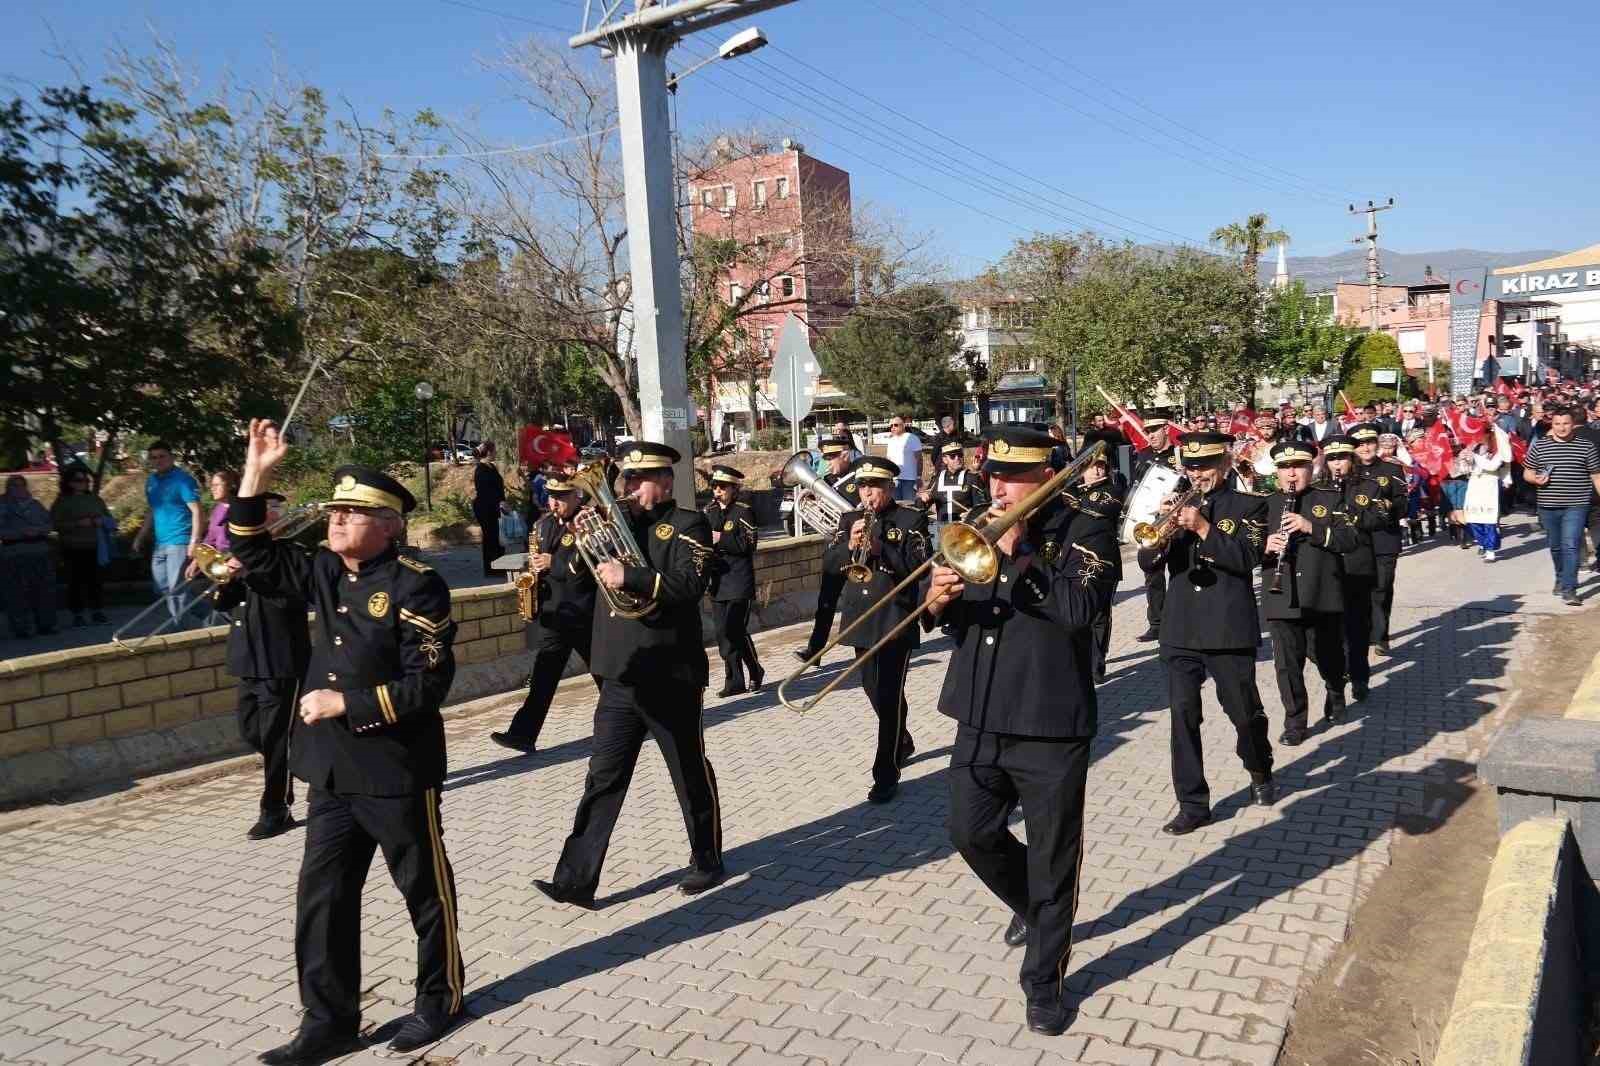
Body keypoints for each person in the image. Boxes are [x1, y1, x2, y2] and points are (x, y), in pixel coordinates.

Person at [233, 422, 465, 1062]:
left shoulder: (418, 582)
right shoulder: (324, 572)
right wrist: (257, 475)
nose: (336, 521)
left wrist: (347, 703)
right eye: (335, 510)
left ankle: (440, 998)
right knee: (324, 897)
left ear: (389, 524)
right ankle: (328, 1021)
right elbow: (252, 553)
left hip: (395, 766)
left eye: (352, 512)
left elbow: (430, 683)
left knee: (423, 890)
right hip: (331, 769)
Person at [923, 425, 1118, 1037]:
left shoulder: (1082, 528)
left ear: (1042, 475)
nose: (997, 486)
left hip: (1050, 723)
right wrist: (936, 601)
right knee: (969, 830)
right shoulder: (977, 528)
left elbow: (1081, 611)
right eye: (992, 476)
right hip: (980, 712)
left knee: (1055, 856)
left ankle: (1045, 981)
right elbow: (961, 623)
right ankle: (1035, 909)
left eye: (1009, 476)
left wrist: (1020, 556)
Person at [535, 441, 726, 906]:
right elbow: (575, 579)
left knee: (687, 771)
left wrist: (633, 576)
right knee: (602, 777)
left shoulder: (688, 524)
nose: (629, 488)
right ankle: (575, 879)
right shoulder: (608, 525)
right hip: (619, 675)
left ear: (664, 480)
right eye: (626, 480)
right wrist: (580, 538)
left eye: (638, 480)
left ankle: (707, 858)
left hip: (670, 673)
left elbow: (688, 586)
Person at [1137, 432, 1274, 835]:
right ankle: (1193, 803)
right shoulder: (1176, 505)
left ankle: (1259, 768)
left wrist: (1201, 528)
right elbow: (1147, 561)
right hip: (1181, 630)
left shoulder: (1251, 506)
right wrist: (1161, 535)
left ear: (1226, 464)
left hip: (1228, 629)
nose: (1197, 474)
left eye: (1206, 466)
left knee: (1244, 714)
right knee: (1182, 716)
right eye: (1191, 466)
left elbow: (1247, 557)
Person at [822, 455, 928, 803]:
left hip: (895, 617)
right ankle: (903, 738)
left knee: (888, 692)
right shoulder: (849, 518)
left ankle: (885, 773)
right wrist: (851, 546)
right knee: (871, 687)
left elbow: (919, 567)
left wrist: (884, 550)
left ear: (890, 487)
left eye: (876, 487)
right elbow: (830, 564)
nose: (868, 494)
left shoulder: (911, 519)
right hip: (861, 616)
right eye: (864, 487)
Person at [212, 491, 311, 841]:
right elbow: (224, 603)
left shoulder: (291, 555)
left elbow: (294, 595)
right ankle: (310, 759)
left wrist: (251, 570)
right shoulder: (236, 559)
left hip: (281, 658)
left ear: (268, 519)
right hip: (247, 658)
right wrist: (225, 579)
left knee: (275, 738)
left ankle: (276, 808)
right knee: (251, 730)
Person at [490, 474, 599, 754]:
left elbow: (593, 566)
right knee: (543, 678)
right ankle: (522, 734)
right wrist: (532, 578)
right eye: (551, 496)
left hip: (584, 612)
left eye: (561, 497)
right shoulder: (542, 525)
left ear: (577, 495)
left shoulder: (589, 523)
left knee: (605, 673)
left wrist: (555, 563)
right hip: (554, 615)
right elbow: (538, 561)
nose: (554, 502)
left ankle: (638, 719)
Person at [1259, 441, 1357, 746]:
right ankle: (1295, 722)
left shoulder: (1330, 499)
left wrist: (1309, 526)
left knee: (1326, 655)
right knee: (1287, 664)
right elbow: (1245, 548)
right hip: (1280, 595)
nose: (1292, 474)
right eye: (1285, 468)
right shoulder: (1264, 504)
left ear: (1310, 468)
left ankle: (1335, 689)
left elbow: (1349, 539)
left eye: (1298, 467)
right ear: (1276, 472)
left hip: (1321, 594)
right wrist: (1265, 546)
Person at [1322, 436, 1385, 703]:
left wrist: (1348, 514)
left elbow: (1379, 518)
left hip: (1358, 565)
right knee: (1331, 631)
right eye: (1332, 459)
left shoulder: (1370, 487)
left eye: (1343, 458)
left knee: (1357, 628)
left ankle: (1360, 677)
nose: (1338, 464)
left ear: (1352, 459)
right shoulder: (1318, 489)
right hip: (1327, 568)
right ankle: (1336, 680)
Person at [1525, 407, 1600, 606]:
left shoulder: (1586, 446)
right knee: (1556, 546)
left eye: (1565, 423)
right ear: (1552, 424)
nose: (1561, 428)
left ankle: (1570, 588)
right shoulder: (1541, 446)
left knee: (1571, 545)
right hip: (1548, 505)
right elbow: (1527, 472)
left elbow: (1596, 475)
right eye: (1557, 424)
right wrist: (1536, 479)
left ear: (1572, 424)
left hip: (1576, 504)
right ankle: (1560, 577)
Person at [796, 437, 861, 662]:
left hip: (857, 548)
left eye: (832, 457)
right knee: (825, 602)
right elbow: (822, 517)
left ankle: (864, 644)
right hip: (835, 549)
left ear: (845, 454)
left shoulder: (860, 477)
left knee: (860, 599)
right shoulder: (825, 481)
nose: (828, 463)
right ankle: (814, 650)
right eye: (825, 458)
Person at [704, 465, 764, 698]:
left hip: (739, 580)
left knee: (735, 630)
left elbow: (749, 545)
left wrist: (721, 538)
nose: (717, 491)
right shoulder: (709, 511)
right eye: (715, 487)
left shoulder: (743, 511)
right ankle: (735, 680)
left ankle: (755, 669)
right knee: (722, 634)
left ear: (734, 488)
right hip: (717, 581)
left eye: (722, 487)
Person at [1064, 453, 1123, 683]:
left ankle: (1097, 662)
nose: (1098, 471)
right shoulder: (1073, 490)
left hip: (1103, 562)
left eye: (1101, 467)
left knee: (1100, 615)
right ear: (1082, 470)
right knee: (1078, 613)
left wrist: (1074, 504)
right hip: (1074, 560)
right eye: (1092, 467)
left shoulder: (1113, 490)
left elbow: (1104, 510)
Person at [133, 441, 202, 627]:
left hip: (180, 540)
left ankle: (181, 632)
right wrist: (141, 535)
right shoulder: (152, 481)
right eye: (154, 458)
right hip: (160, 543)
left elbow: (196, 511)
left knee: (176, 589)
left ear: (171, 457)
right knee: (162, 586)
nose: (158, 461)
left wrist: (194, 541)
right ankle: (208, 612)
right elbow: (152, 510)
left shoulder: (183, 480)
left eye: (162, 456)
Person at [1350, 424, 1406, 654]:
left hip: (1384, 537)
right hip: (1355, 539)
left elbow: (1404, 503)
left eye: (1370, 442)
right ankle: (1360, 632)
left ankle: (1381, 635)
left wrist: (1389, 506)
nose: (1365, 448)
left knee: (1381, 588)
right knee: (1356, 589)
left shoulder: (1392, 469)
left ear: (1377, 443)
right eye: (1360, 444)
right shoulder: (1346, 471)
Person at [1131, 419, 1179, 642]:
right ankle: (1157, 624)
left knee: (1180, 572)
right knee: (1153, 574)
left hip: (1176, 521)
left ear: (1166, 429)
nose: (1150, 436)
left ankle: (1182, 620)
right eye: (1147, 432)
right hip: (1152, 522)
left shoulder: (1180, 454)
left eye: (1154, 431)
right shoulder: (1142, 455)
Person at [50, 466, 112, 627]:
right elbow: (54, 524)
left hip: (95, 546)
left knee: (95, 581)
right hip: (72, 547)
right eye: (79, 480)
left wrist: (102, 521)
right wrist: (77, 524)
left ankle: (97, 611)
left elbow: (109, 518)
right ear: (70, 483)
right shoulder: (62, 501)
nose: (83, 483)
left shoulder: (95, 499)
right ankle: (77, 614)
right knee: (75, 582)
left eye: (86, 480)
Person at [1, 475, 58, 638]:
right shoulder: (2, 506)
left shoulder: (36, 505)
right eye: (14, 486)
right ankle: (21, 628)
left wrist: (39, 530)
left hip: (39, 550)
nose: (19, 489)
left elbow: (50, 524)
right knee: (16, 593)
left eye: (21, 485)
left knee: (44, 590)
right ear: (8, 489)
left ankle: (46, 624)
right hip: (13, 552)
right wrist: (19, 533)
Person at [920, 441, 987, 538]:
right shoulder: (937, 479)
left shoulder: (972, 478)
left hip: (965, 531)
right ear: (944, 460)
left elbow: (983, 506)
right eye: (952, 456)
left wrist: (971, 514)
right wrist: (922, 499)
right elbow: (923, 505)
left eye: (960, 455)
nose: (957, 459)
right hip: (943, 531)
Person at [1464, 428, 1511, 561]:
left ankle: (1491, 550)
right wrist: (1465, 459)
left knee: (1488, 520)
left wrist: (1507, 479)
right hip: (1474, 486)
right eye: (1479, 441)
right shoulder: (1472, 452)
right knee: (1473, 519)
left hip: (1489, 486)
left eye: (1484, 441)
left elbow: (1492, 466)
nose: (1481, 444)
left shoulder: (1499, 454)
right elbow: (1461, 468)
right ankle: (1482, 544)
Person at [473, 442, 506, 578]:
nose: (496, 452)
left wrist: (503, 501)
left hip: (496, 507)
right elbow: (485, 492)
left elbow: (498, 488)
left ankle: (501, 565)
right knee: (490, 538)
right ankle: (492, 568)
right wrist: (499, 502)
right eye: (494, 450)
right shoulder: (481, 469)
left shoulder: (491, 466)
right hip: (486, 508)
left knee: (498, 537)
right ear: (488, 452)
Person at [884, 414, 923, 502]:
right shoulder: (890, 441)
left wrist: (919, 477)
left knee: (909, 506)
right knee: (895, 506)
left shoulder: (913, 438)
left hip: (910, 480)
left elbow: (919, 459)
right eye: (891, 425)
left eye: (896, 425)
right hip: (894, 480)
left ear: (903, 425)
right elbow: (888, 460)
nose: (893, 427)